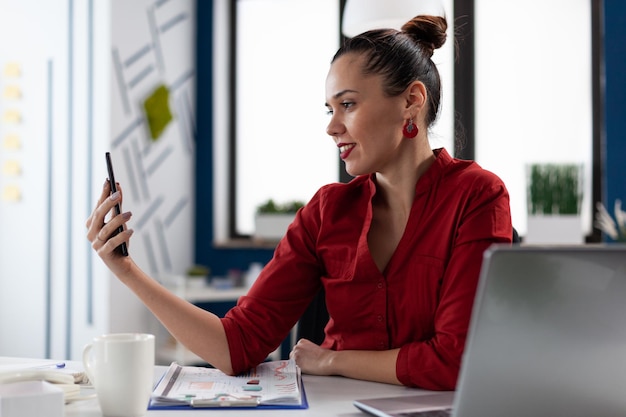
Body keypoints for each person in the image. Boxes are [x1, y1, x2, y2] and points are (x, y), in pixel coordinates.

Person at [86, 14, 512, 391]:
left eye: (347, 104)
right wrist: (126, 270)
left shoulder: (478, 196)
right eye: (329, 108)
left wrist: (331, 359)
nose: (332, 127)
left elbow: (458, 360)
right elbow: (236, 347)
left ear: (410, 101)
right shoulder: (327, 212)